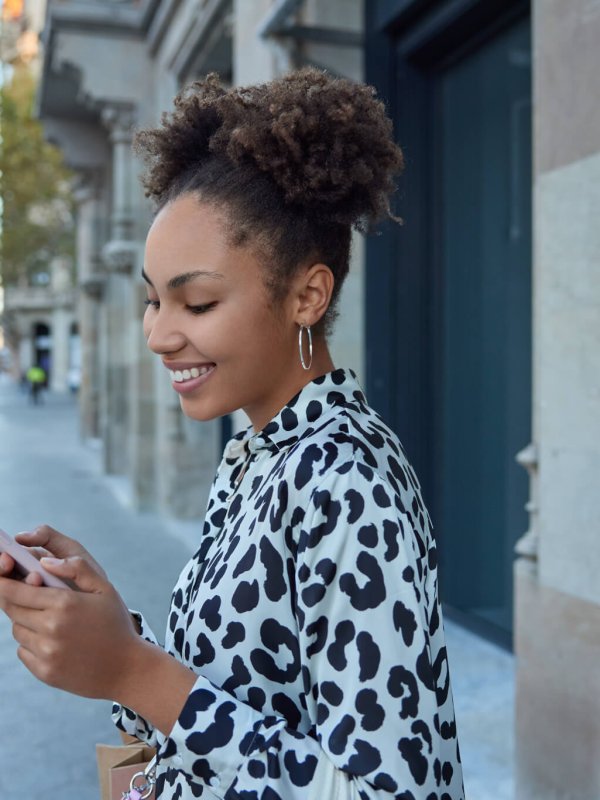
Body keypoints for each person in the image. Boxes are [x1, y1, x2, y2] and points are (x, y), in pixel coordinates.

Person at [0, 69, 464, 799]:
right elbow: (248, 689)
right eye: (154, 301)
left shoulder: (347, 481)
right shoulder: (260, 451)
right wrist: (113, 632)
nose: (158, 335)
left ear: (308, 295)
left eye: (198, 300)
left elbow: (394, 792)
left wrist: (131, 669)